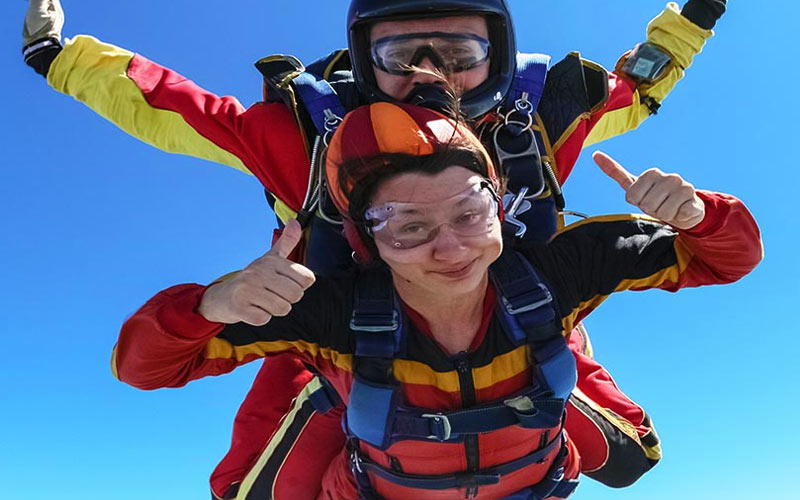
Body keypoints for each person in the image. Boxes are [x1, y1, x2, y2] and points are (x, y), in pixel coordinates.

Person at [22, 1, 729, 498]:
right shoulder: (303, 136)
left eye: (459, 54)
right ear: (364, 61)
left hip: (515, 318)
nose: (431, 75)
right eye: (400, 55)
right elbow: (173, 107)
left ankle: (541, 382)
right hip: (332, 339)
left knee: (628, 456)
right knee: (249, 492)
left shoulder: (542, 115)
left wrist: (693, 17)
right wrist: (61, 58)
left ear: (498, 59)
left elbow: (636, 83)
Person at [114, 102, 762, 500]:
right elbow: (146, 368)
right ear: (367, 239)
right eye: (408, 227)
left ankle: (558, 350)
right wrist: (210, 305)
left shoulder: (560, 269)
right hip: (387, 473)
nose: (450, 249)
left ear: (500, 207)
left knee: (632, 459)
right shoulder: (330, 310)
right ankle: (333, 389)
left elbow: (727, 259)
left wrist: (700, 215)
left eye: (470, 213)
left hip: (530, 472)